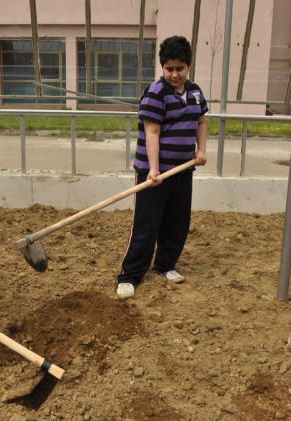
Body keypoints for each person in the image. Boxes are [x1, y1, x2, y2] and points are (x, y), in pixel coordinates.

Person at [116, 35, 208, 299]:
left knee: (177, 222)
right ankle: (129, 275)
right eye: (169, 69)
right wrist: (153, 170)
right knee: (146, 224)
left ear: (188, 66)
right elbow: (152, 133)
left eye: (180, 68)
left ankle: (166, 264)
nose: (174, 74)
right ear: (162, 67)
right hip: (153, 172)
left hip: (183, 170)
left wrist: (200, 150)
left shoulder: (195, 92)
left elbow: (200, 122)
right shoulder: (156, 93)